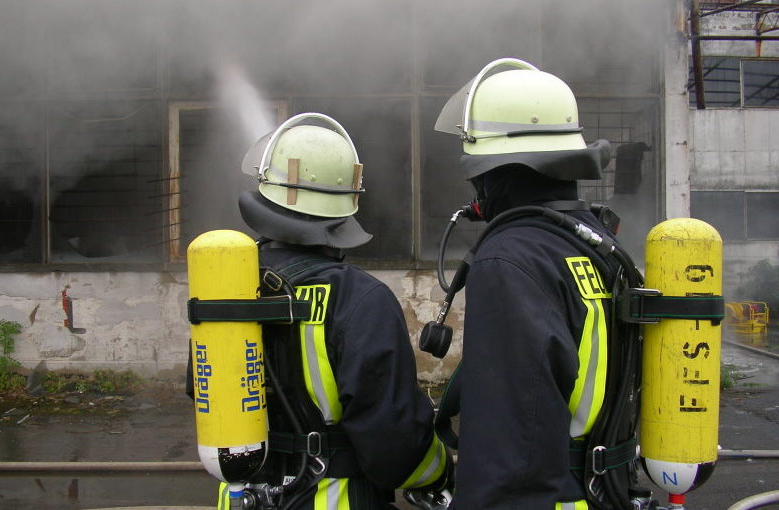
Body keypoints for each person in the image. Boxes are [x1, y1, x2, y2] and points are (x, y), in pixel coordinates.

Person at [189, 112, 451, 510]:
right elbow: (393, 443)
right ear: (348, 202)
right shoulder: (360, 299)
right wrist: (442, 470)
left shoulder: (227, 288)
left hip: (243, 499)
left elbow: (201, 387)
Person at [432, 58, 640, 509]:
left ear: (492, 170)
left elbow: (509, 457)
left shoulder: (511, 260)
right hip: (606, 492)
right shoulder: (594, 243)